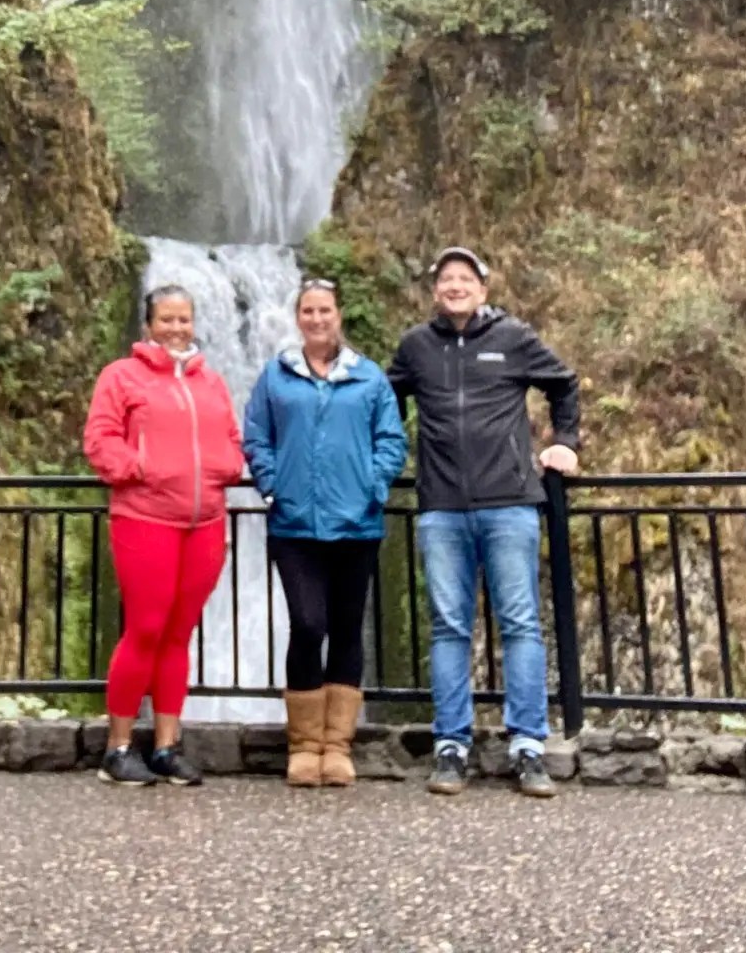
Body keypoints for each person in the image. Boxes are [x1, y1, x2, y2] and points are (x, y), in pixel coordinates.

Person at [387, 245, 580, 799]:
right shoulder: (416, 348)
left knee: (520, 623)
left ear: (483, 289)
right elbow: (382, 400)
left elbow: (563, 384)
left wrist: (563, 443)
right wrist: (383, 457)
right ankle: (451, 746)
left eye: (464, 278)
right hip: (442, 507)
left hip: (510, 503)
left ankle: (528, 747)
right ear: (434, 290)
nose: (454, 285)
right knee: (449, 626)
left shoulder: (513, 338)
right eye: (445, 278)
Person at [243, 278, 407, 788]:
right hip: (294, 525)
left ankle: (337, 746)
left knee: (346, 628)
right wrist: (272, 487)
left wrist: (373, 487)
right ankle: (303, 745)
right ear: (298, 317)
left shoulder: (369, 378)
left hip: (356, 524)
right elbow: (255, 435)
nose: (317, 318)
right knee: (308, 623)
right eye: (308, 310)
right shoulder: (277, 376)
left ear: (339, 316)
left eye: (325, 310)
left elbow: (392, 439)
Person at [83, 282, 244, 787]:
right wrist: (140, 468)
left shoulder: (211, 382)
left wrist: (227, 467)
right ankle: (119, 747)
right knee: (146, 630)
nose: (176, 329)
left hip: (205, 522)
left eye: (184, 320)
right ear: (148, 325)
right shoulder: (122, 376)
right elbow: (99, 438)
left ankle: (167, 746)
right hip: (146, 518)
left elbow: (232, 441)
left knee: (179, 634)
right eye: (166, 320)